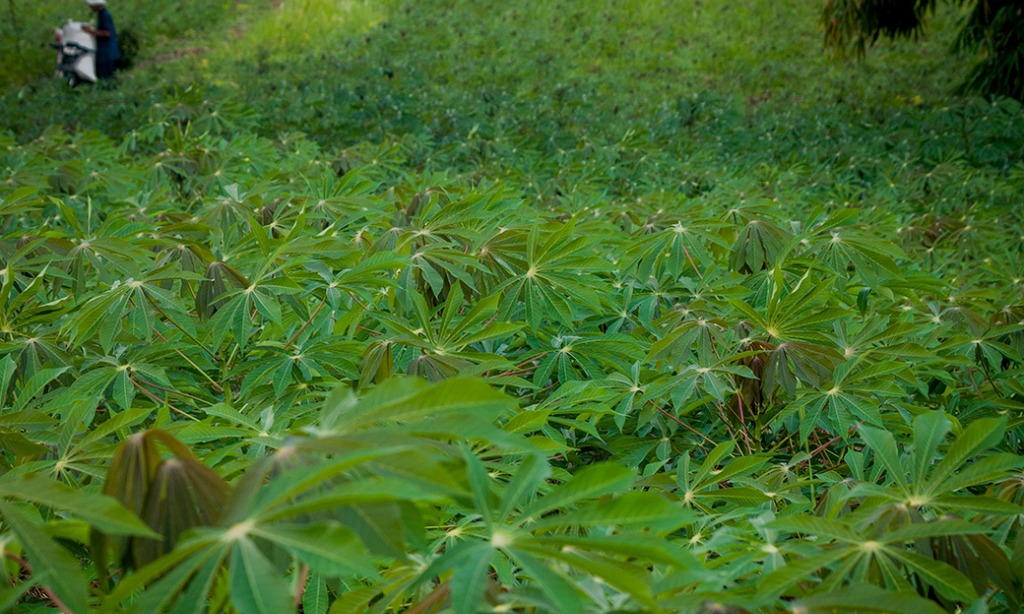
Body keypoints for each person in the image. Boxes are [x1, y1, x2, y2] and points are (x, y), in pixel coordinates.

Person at [81, 0, 120, 80]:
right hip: (106, 53)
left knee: (107, 79)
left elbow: (106, 33)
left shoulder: (104, 15)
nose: (91, 8)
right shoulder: (101, 14)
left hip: (108, 54)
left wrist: (90, 31)